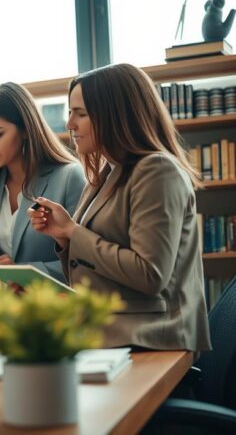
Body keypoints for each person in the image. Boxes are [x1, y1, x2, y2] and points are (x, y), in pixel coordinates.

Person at [28, 63, 211, 351]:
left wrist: (74, 232)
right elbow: (91, 272)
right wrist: (63, 238)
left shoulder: (157, 170)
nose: (70, 124)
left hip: (151, 338)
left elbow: (150, 275)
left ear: (115, 115)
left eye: (81, 114)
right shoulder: (106, 174)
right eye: (70, 112)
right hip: (106, 333)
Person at [0, 82, 85, 283]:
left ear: (25, 130)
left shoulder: (69, 177)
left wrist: (19, 273)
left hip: (53, 302)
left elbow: (85, 262)